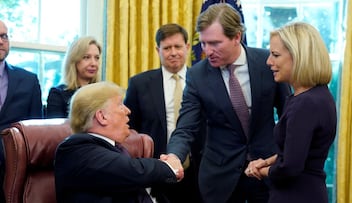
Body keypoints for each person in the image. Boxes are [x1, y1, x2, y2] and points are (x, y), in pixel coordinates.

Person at [161, 3, 292, 203]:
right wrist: (174, 155)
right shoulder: (198, 75)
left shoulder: (267, 62)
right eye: (204, 43)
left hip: (267, 172)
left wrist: (286, 157)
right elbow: (186, 127)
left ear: (236, 37)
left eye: (215, 43)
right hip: (221, 180)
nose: (207, 51)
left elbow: (287, 114)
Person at [244, 22, 337, 203]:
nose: (268, 61)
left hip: (296, 195)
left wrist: (258, 171)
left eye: (275, 55)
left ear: (299, 56)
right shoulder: (319, 95)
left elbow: (289, 167)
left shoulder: (305, 104)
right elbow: (295, 150)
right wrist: (265, 162)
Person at [54, 81, 184, 203]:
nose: (128, 111)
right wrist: (169, 167)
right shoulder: (75, 149)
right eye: (120, 104)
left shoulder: (113, 148)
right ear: (102, 116)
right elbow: (133, 171)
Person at [124, 23, 205, 203]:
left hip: (198, 169)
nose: (173, 52)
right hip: (156, 168)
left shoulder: (203, 81)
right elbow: (129, 129)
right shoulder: (139, 84)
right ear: (157, 49)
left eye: (178, 46)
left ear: (187, 47)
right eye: (167, 48)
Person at [0, 20, 43, 202]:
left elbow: (36, 132)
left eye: (4, 36)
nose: (1, 41)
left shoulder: (28, 80)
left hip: (13, 164)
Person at [46, 36, 101, 118]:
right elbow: (56, 129)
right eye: (86, 57)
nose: (94, 63)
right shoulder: (58, 94)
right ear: (74, 61)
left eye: (96, 58)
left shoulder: (103, 93)